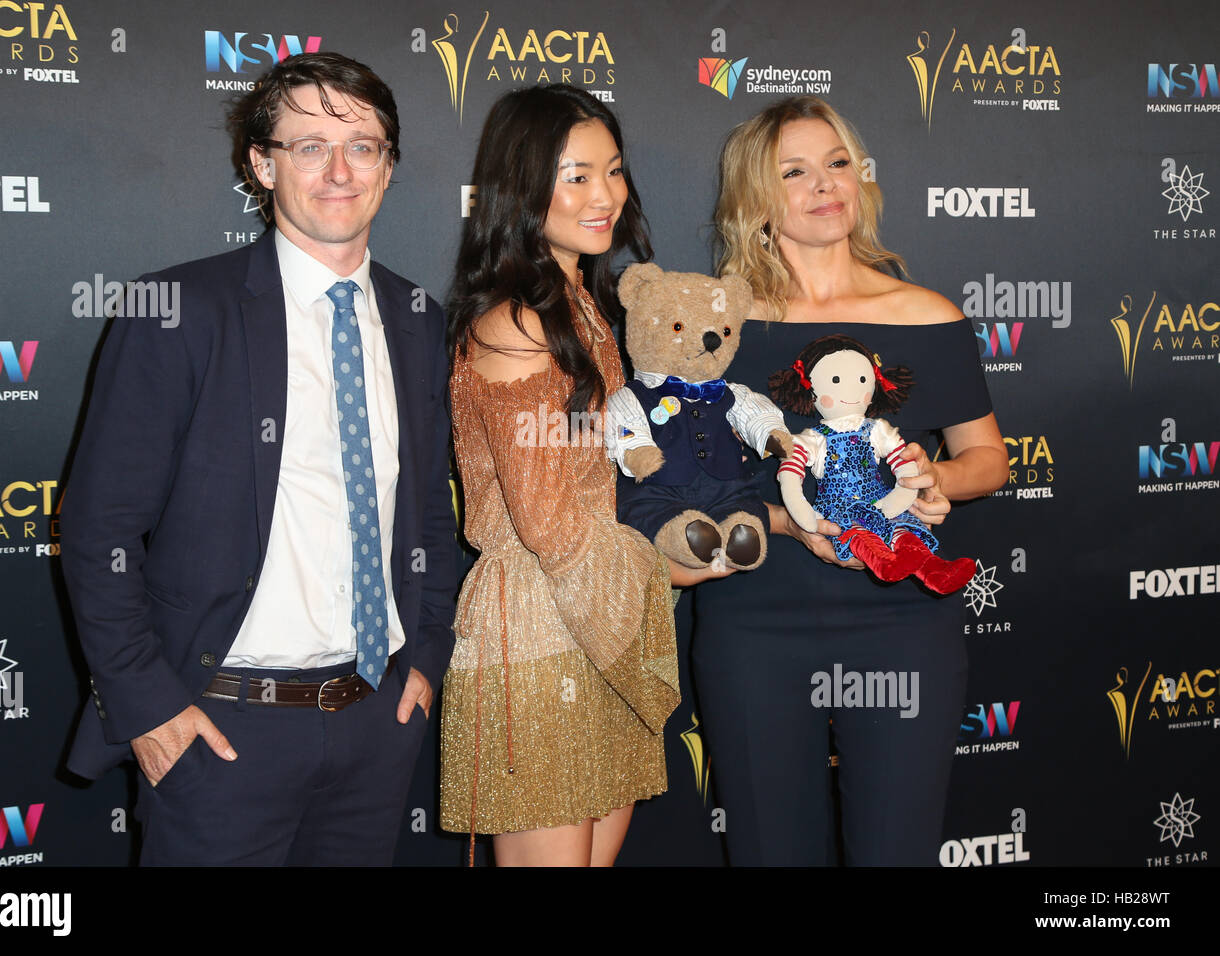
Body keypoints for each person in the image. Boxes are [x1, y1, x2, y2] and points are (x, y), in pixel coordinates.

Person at [61, 52, 457, 865]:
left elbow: (427, 513)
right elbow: (99, 529)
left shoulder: (419, 320)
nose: (339, 170)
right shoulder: (178, 313)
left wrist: (424, 659)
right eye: (310, 146)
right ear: (262, 163)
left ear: (388, 165)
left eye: (364, 145)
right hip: (221, 734)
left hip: (376, 727)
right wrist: (147, 708)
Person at [694, 96, 1008, 865]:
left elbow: (988, 458)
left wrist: (935, 478)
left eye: (837, 163)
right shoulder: (716, 326)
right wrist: (784, 520)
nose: (823, 184)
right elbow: (684, 483)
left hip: (901, 620)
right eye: (793, 171)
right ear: (755, 200)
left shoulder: (925, 314)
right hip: (754, 623)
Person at [439, 85, 715, 866]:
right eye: (576, 176)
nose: (606, 197)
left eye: (615, 171)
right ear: (522, 190)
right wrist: (655, 572)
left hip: (596, 615)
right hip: (537, 628)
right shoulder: (519, 324)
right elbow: (546, 522)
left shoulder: (583, 308)